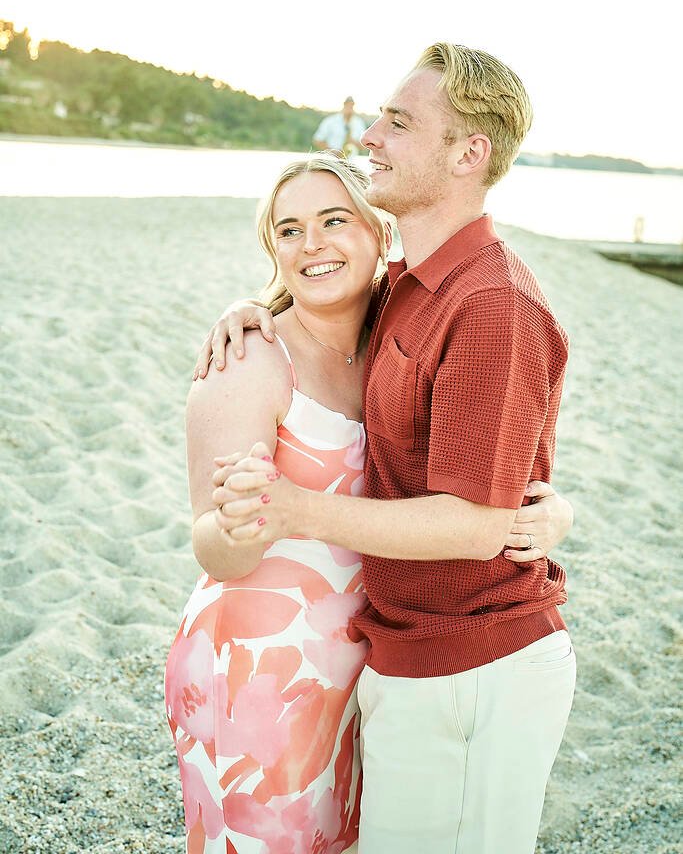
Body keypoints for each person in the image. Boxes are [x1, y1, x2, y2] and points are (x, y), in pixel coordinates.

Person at [198, 43, 577, 854]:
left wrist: (294, 507)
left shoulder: (491, 304)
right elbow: (318, 287)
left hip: (474, 672)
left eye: (398, 123)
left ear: (468, 152)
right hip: (401, 657)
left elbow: (477, 525)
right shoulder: (408, 285)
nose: (368, 134)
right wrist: (248, 303)